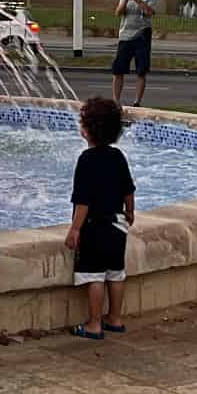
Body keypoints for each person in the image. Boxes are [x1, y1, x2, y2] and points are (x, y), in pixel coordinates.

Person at [66, 95, 136, 339]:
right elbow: (129, 189)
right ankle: (115, 319)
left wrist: (75, 229)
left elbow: (82, 201)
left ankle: (94, 324)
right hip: (117, 225)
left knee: (94, 275)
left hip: (94, 227)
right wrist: (130, 211)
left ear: (87, 131)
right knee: (116, 273)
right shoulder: (117, 156)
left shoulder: (86, 160)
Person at [112, 0, 157, 108]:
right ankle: (116, 101)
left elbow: (149, 12)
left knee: (141, 70)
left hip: (142, 35)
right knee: (118, 69)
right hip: (125, 36)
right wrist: (125, 0)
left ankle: (137, 102)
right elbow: (118, 13)